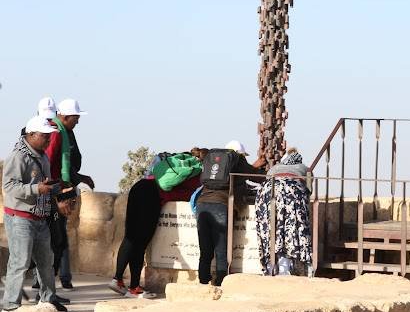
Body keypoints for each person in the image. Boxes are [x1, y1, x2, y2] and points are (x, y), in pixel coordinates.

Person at [109, 152, 202, 298]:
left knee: (130, 237)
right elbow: (190, 195)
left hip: (140, 186)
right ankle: (134, 288)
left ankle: (118, 280)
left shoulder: (183, 166)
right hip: (151, 196)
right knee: (140, 243)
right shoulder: (198, 176)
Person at [1, 116, 67, 312]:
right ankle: (11, 305)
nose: (48, 140)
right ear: (31, 135)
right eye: (45, 136)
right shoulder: (18, 157)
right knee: (19, 262)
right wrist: (36, 189)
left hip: (40, 218)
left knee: (46, 262)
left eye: (49, 136)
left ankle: (48, 300)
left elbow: (44, 184)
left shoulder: (43, 156)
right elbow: (9, 186)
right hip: (20, 218)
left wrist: (60, 191)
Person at [196, 141, 265, 287]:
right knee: (222, 250)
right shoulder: (238, 160)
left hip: (202, 205)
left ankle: (203, 283)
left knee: (205, 250)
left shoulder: (213, 159)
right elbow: (257, 176)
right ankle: (221, 284)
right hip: (221, 206)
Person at [45, 98, 94, 290]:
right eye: (76, 117)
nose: (78, 121)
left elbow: (67, 164)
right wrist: (61, 192)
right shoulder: (56, 133)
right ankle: (46, 285)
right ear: (64, 116)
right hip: (55, 190)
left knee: (59, 237)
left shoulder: (66, 132)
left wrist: (79, 178)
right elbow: (48, 165)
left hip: (62, 187)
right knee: (54, 238)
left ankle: (55, 282)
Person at [255, 148, 313, 276]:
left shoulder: (274, 168)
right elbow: (308, 191)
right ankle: (285, 268)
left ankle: (270, 266)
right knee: (291, 231)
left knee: (269, 230)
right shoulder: (305, 169)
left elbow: (268, 180)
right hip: (291, 192)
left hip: (268, 193)